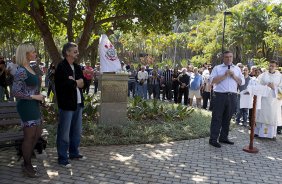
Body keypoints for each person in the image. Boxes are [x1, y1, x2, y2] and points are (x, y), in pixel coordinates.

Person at [12, 43, 45, 177]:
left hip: (34, 105)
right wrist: (33, 96)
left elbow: (35, 84)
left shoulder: (31, 67)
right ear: (26, 54)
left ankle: (26, 161)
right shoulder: (21, 70)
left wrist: (39, 96)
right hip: (26, 106)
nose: (35, 54)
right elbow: (15, 92)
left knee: (37, 133)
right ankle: (27, 165)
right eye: (33, 52)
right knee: (29, 136)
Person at [55, 42, 86, 168]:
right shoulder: (61, 67)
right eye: (75, 51)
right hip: (67, 105)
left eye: (77, 51)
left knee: (76, 131)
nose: (77, 53)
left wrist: (76, 82)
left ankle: (74, 153)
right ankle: (62, 158)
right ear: (67, 52)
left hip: (78, 103)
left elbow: (83, 83)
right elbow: (63, 86)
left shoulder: (77, 67)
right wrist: (75, 83)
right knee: (64, 132)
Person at [209, 51, 245, 148]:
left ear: (233, 57)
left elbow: (242, 82)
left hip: (232, 96)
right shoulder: (217, 68)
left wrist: (233, 75)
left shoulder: (237, 69)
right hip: (219, 95)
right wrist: (225, 75)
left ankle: (223, 137)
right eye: (226, 57)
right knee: (217, 118)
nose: (228, 59)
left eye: (230, 57)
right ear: (223, 58)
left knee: (227, 118)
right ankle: (213, 139)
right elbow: (211, 81)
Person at [255, 60, 282, 139]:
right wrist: (266, 86)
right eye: (270, 66)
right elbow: (257, 84)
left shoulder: (280, 76)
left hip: (274, 101)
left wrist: (275, 88)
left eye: (273, 66)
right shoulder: (263, 75)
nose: (271, 67)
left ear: (276, 67)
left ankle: (272, 135)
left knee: (272, 116)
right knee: (261, 115)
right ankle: (258, 133)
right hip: (264, 99)